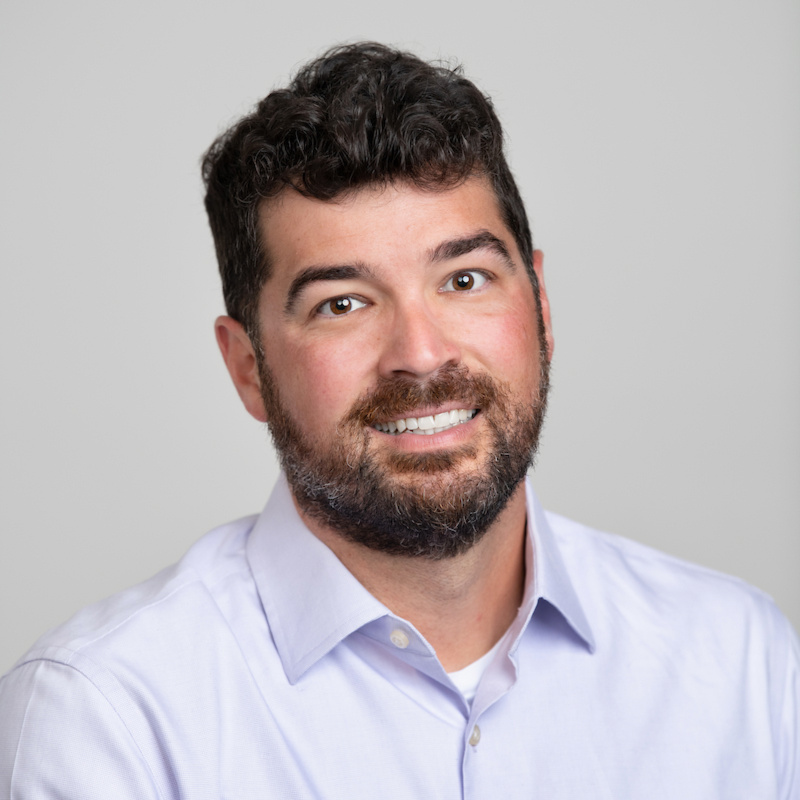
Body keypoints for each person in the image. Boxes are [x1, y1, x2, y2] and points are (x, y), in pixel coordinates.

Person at [0, 41, 797, 799]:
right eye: (342, 303)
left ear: (541, 306)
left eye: (465, 279)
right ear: (248, 367)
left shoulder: (739, 665)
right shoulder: (108, 719)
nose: (419, 355)